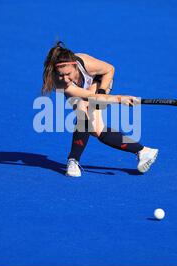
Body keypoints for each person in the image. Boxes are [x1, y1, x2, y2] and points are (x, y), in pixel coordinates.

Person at [42, 41, 158, 177]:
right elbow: (90, 96)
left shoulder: (86, 63)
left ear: (74, 66)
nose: (65, 78)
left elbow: (110, 69)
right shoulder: (59, 82)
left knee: (83, 110)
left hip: (98, 81)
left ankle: (73, 160)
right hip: (84, 92)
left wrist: (102, 91)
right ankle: (143, 151)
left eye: (68, 74)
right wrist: (121, 99)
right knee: (96, 130)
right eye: (61, 75)